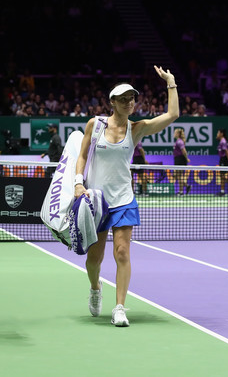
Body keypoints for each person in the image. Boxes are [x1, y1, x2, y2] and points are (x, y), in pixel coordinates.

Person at [74, 65, 179, 327]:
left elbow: (173, 114)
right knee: (93, 260)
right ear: (112, 103)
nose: (130, 102)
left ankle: (120, 307)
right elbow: (83, 155)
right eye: (123, 99)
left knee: (122, 252)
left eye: (132, 98)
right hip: (96, 202)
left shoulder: (136, 129)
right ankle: (96, 287)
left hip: (123, 199)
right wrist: (78, 183)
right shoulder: (95, 125)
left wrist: (171, 82)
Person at [173, 128, 191, 195]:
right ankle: (187, 186)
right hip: (178, 159)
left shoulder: (179, 141)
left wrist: (186, 158)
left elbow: (184, 151)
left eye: (175, 132)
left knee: (179, 176)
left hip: (180, 159)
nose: (174, 134)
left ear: (178, 134)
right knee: (178, 175)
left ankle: (181, 192)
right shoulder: (178, 141)